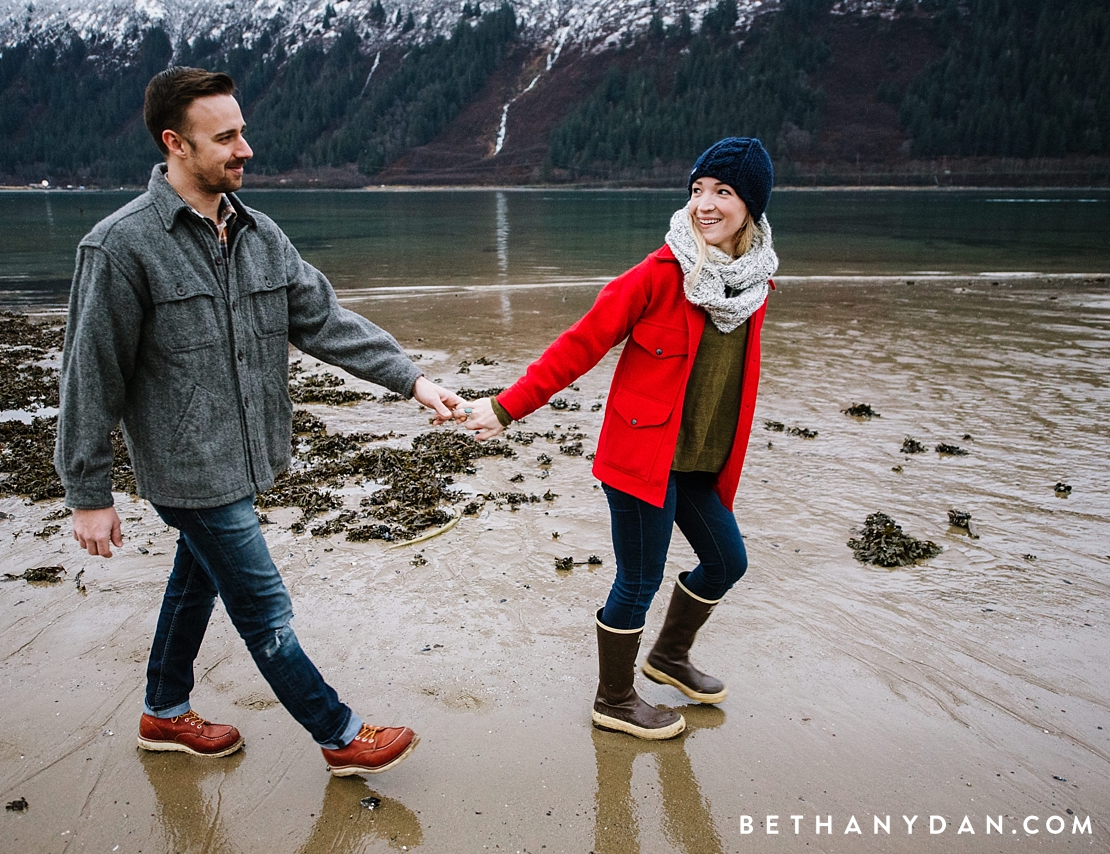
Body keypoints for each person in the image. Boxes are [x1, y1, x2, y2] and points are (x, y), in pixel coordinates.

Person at [54, 66, 461, 774]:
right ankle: (339, 734)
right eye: (227, 137)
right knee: (264, 607)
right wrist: (88, 494)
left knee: (196, 578)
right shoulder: (121, 246)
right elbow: (91, 375)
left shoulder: (258, 234)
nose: (246, 149)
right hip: (187, 466)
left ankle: (164, 710)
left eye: (243, 131)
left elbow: (324, 321)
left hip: (247, 457)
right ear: (175, 143)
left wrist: (413, 380)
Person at [459, 137, 778, 739]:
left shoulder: (754, 289)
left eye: (723, 193)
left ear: (752, 207)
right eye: (697, 191)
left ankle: (669, 658)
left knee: (727, 562)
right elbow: (579, 346)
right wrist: (506, 408)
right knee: (639, 580)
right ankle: (615, 699)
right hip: (641, 461)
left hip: (699, 465)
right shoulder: (656, 277)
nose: (704, 205)